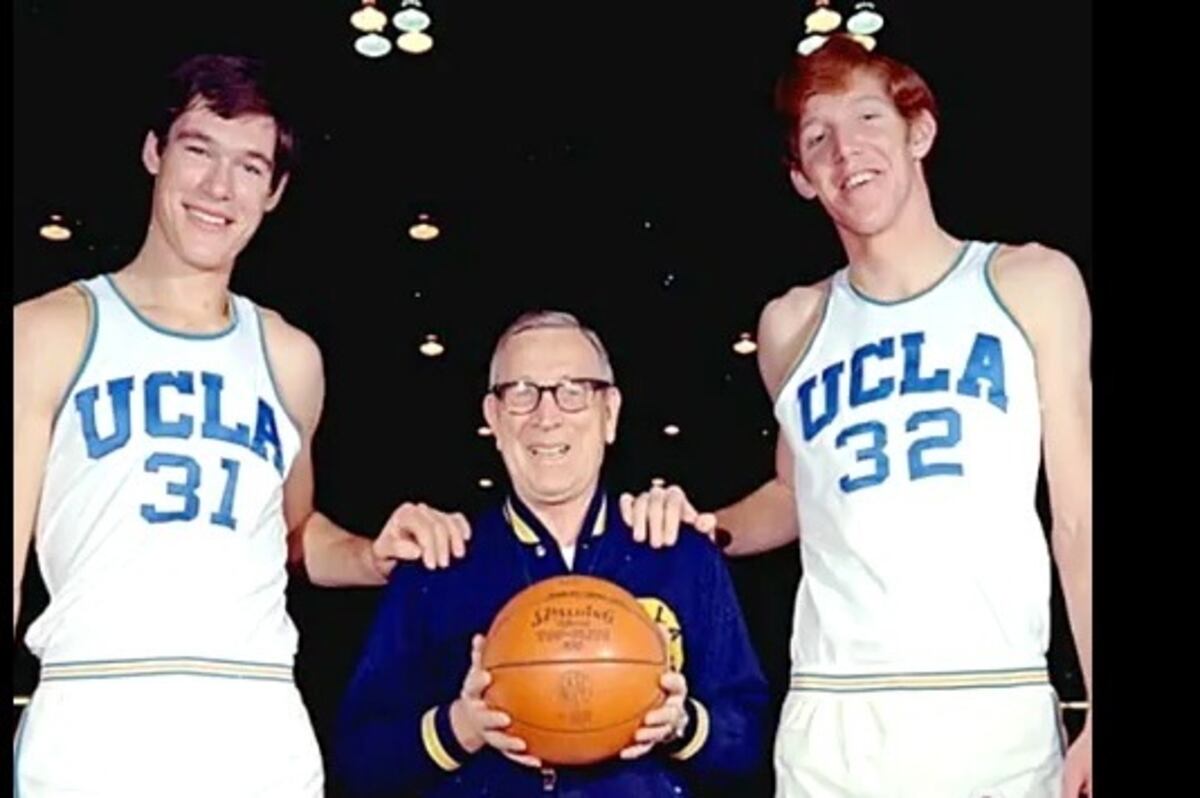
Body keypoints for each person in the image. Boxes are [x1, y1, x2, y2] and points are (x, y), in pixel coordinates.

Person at [619, 35, 1092, 797]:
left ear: (919, 131)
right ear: (802, 179)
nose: (847, 151)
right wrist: (703, 526)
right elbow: (795, 491)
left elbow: (1079, 516)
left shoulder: (1029, 282)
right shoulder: (791, 325)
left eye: (869, 117)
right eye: (818, 137)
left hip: (990, 705)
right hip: (832, 721)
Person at [12, 53, 465, 797]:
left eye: (250, 166)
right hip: (95, 717)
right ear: (154, 152)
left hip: (257, 725)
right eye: (199, 150)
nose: (219, 188)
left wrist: (371, 553)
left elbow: (292, 537)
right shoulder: (48, 331)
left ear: (274, 191)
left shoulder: (290, 357)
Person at [333, 311, 769, 797]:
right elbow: (358, 759)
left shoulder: (680, 555)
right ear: (493, 417)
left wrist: (681, 725)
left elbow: (751, 745)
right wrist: (460, 727)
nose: (546, 416)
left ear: (609, 413)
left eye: (573, 391)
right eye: (521, 392)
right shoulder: (438, 562)